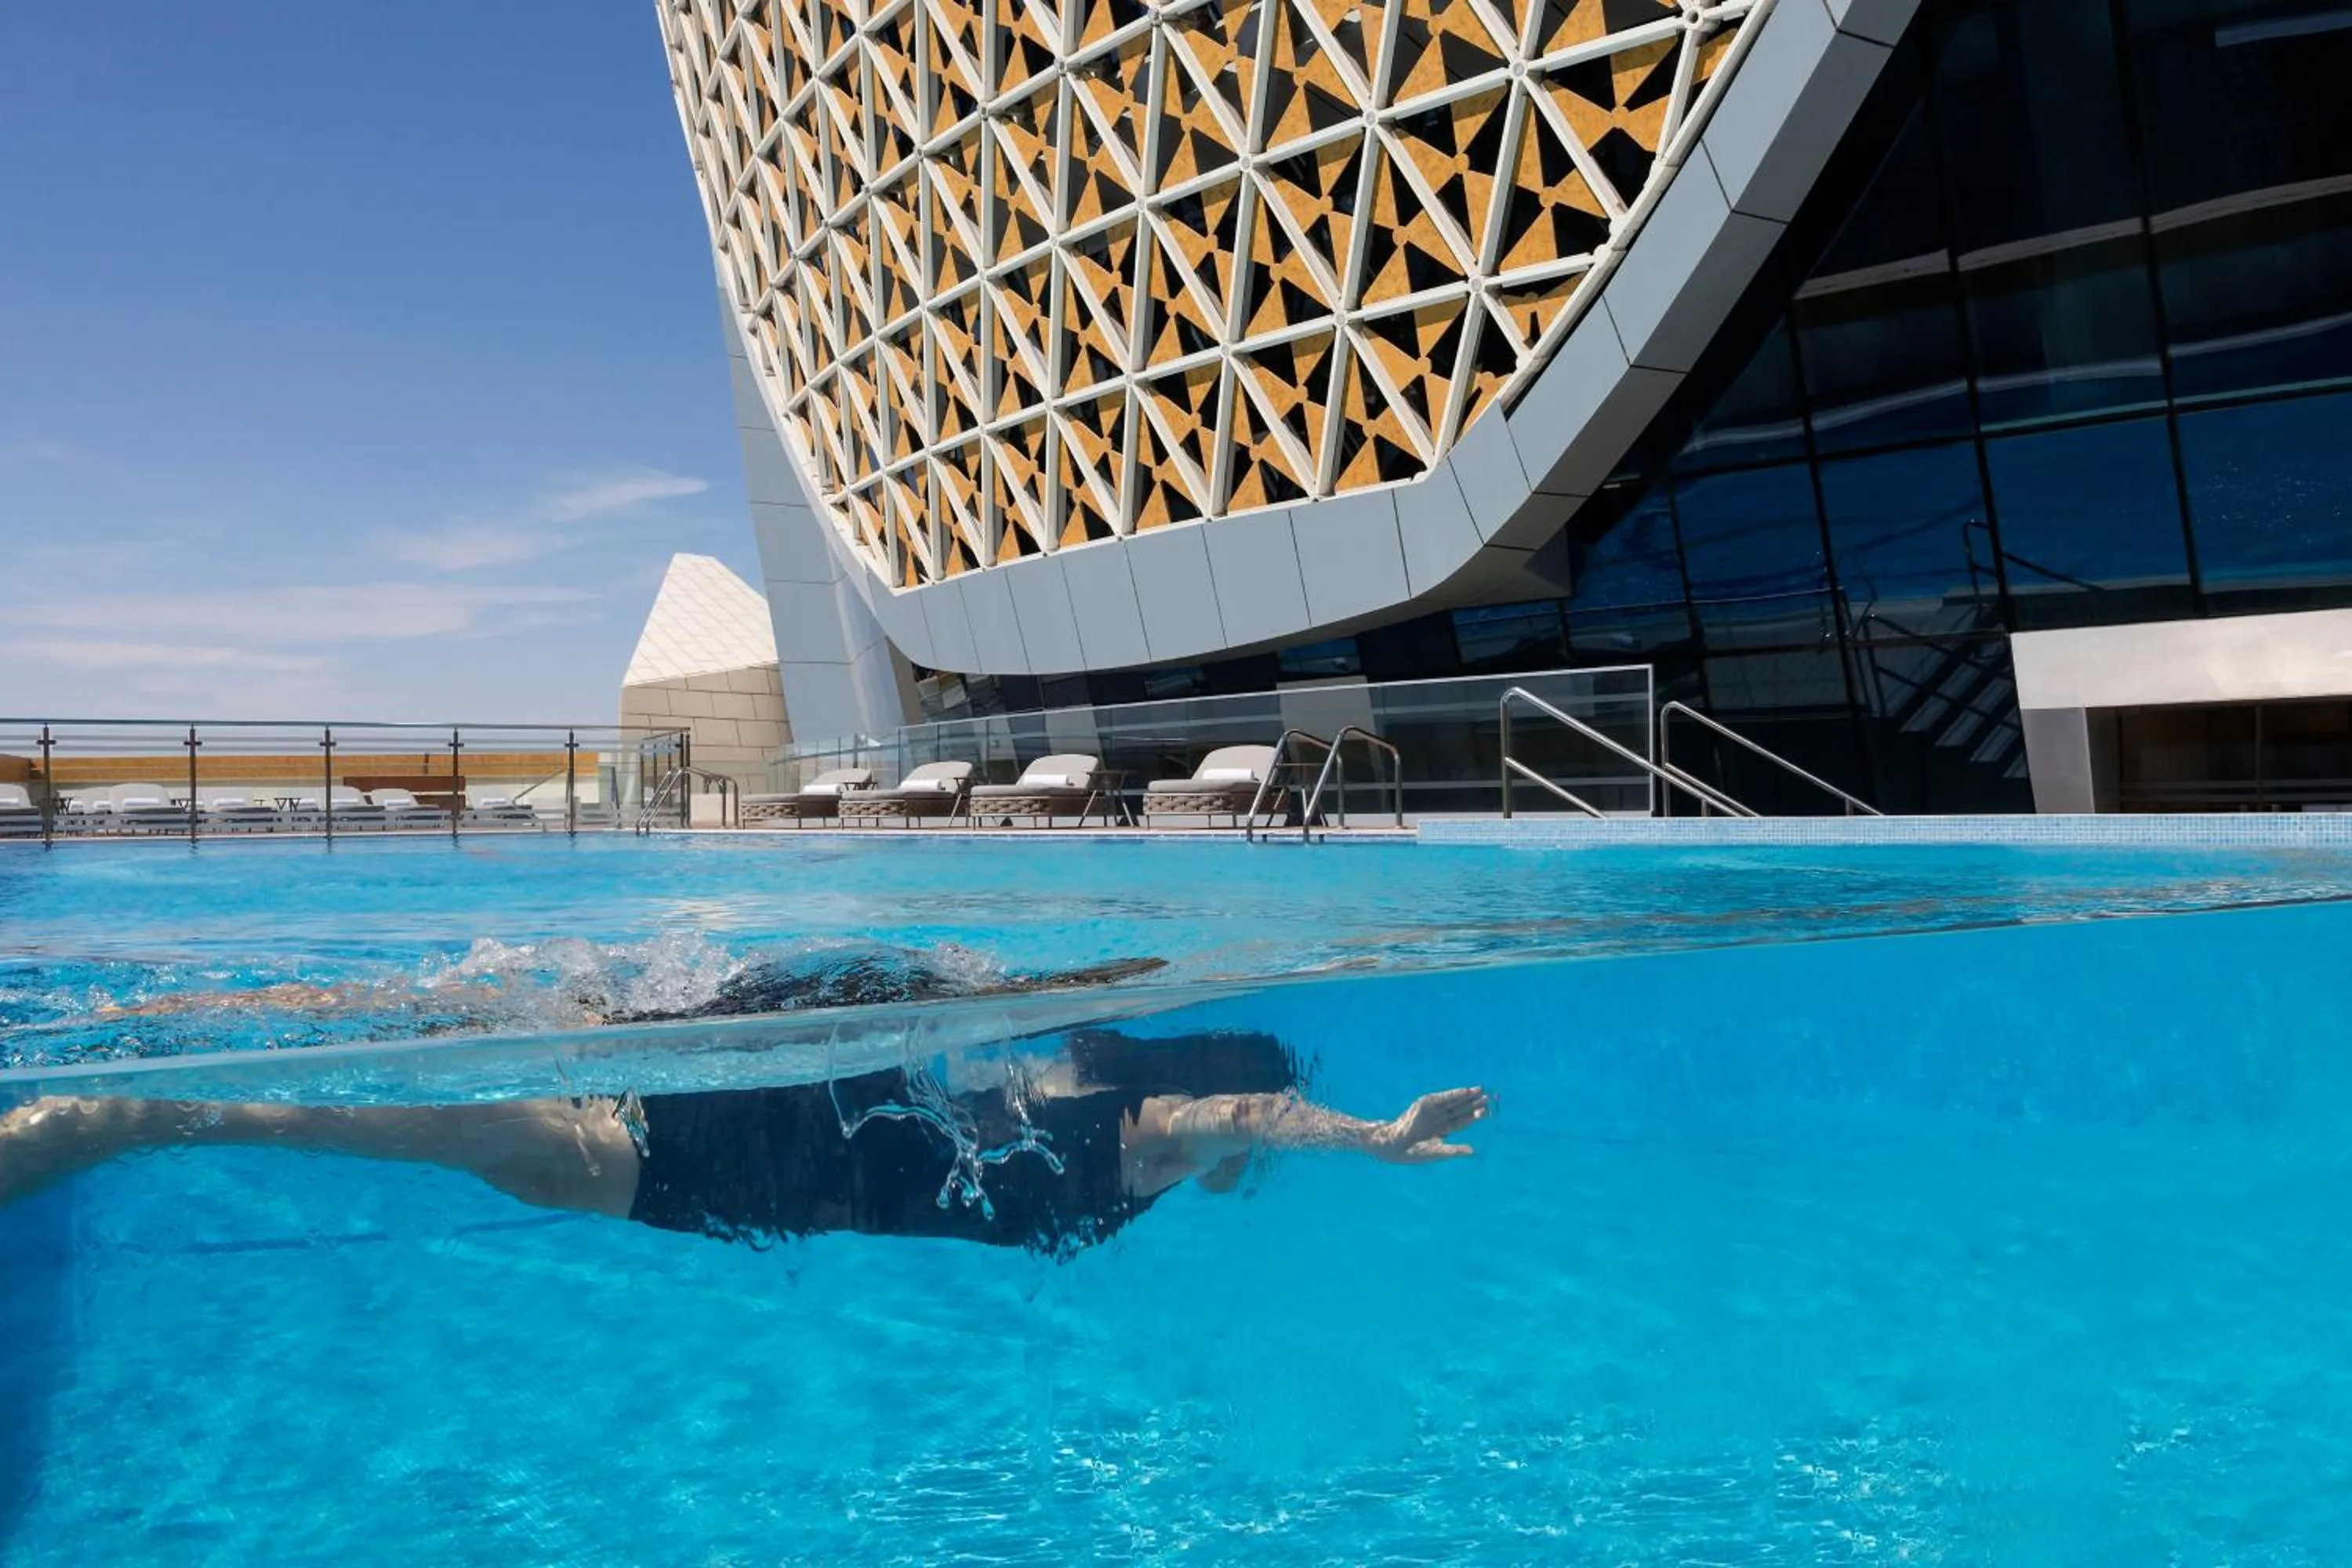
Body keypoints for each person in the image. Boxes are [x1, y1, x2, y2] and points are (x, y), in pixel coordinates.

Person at [0, 952, 1489, 1257]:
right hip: (715, 1160)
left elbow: (1221, 1120)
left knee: (485, 1027)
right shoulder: (1131, 1148)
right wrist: (1372, 1139)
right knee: (397, 1115)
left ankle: (144, 1054)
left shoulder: (1053, 1079)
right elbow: (1230, 1126)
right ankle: (114, 1107)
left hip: (746, 1085)